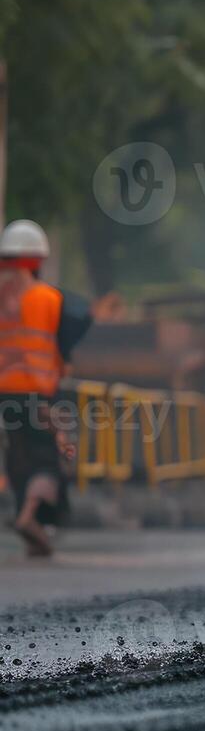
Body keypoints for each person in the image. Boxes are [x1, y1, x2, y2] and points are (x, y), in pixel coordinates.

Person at [0, 221, 91, 557]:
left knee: (19, 455)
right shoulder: (49, 298)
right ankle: (28, 517)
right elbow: (81, 320)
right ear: (37, 260)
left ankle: (30, 521)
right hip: (37, 394)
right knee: (48, 460)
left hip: (3, 393)